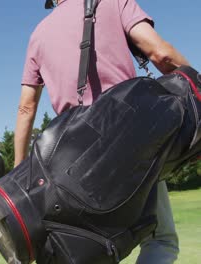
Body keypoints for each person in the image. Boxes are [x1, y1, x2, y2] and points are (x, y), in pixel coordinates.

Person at [14, 0, 190, 263]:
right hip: (130, 138)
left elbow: (26, 108)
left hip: (72, 160)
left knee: (93, 250)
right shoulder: (113, 1)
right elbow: (161, 54)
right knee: (160, 240)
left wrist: (20, 175)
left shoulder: (38, 34)